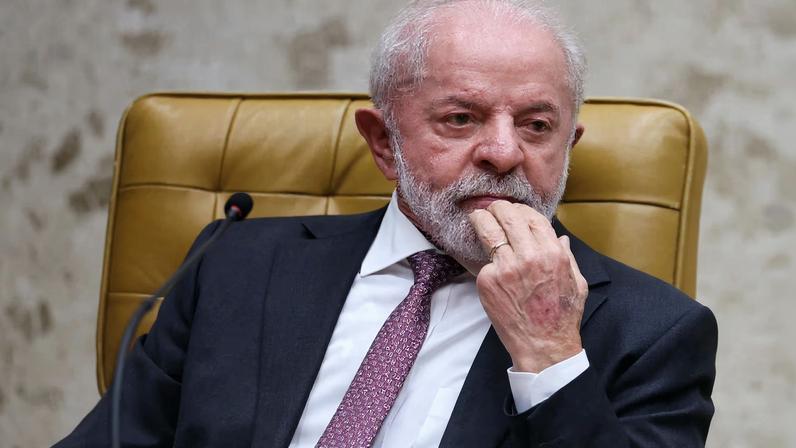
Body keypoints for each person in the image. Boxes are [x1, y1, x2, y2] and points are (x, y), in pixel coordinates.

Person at [55, 0, 717, 447]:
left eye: (537, 126)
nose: (505, 152)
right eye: (460, 119)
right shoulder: (236, 264)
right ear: (382, 143)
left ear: (566, 146)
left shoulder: (656, 332)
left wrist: (548, 351)